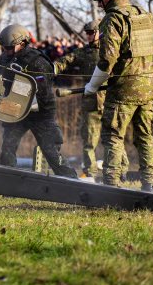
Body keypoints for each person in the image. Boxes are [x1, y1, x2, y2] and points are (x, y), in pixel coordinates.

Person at [83, 0, 153, 191]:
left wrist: (92, 87)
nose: (99, 4)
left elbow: (107, 61)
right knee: (145, 136)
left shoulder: (112, 19)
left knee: (113, 135)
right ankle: (149, 184)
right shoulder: (144, 14)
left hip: (122, 92)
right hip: (148, 89)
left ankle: (111, 185)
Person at [0, 24, 78, 178]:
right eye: (4, 47)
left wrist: (20, 84)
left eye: (9, 47)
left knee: (51, 151)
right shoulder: (4, 58)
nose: (6, 51)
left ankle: (72, 181)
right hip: (16, 108)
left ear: (22, 43)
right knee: (7, 148)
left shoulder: (38, 61)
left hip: (40, 112)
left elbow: (44, 91)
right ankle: (7, 184)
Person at [53, 20, 127, 178]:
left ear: (99, 32)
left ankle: (121, 171)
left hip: (110, 102)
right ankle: (90, 172)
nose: (88, 36)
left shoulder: (112, 50)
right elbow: (66, 60)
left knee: (115, 138)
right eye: (86, 33)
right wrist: (51, 68)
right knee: (89, 142)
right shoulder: (84, 52)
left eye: (91, 33)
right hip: (90, 103)